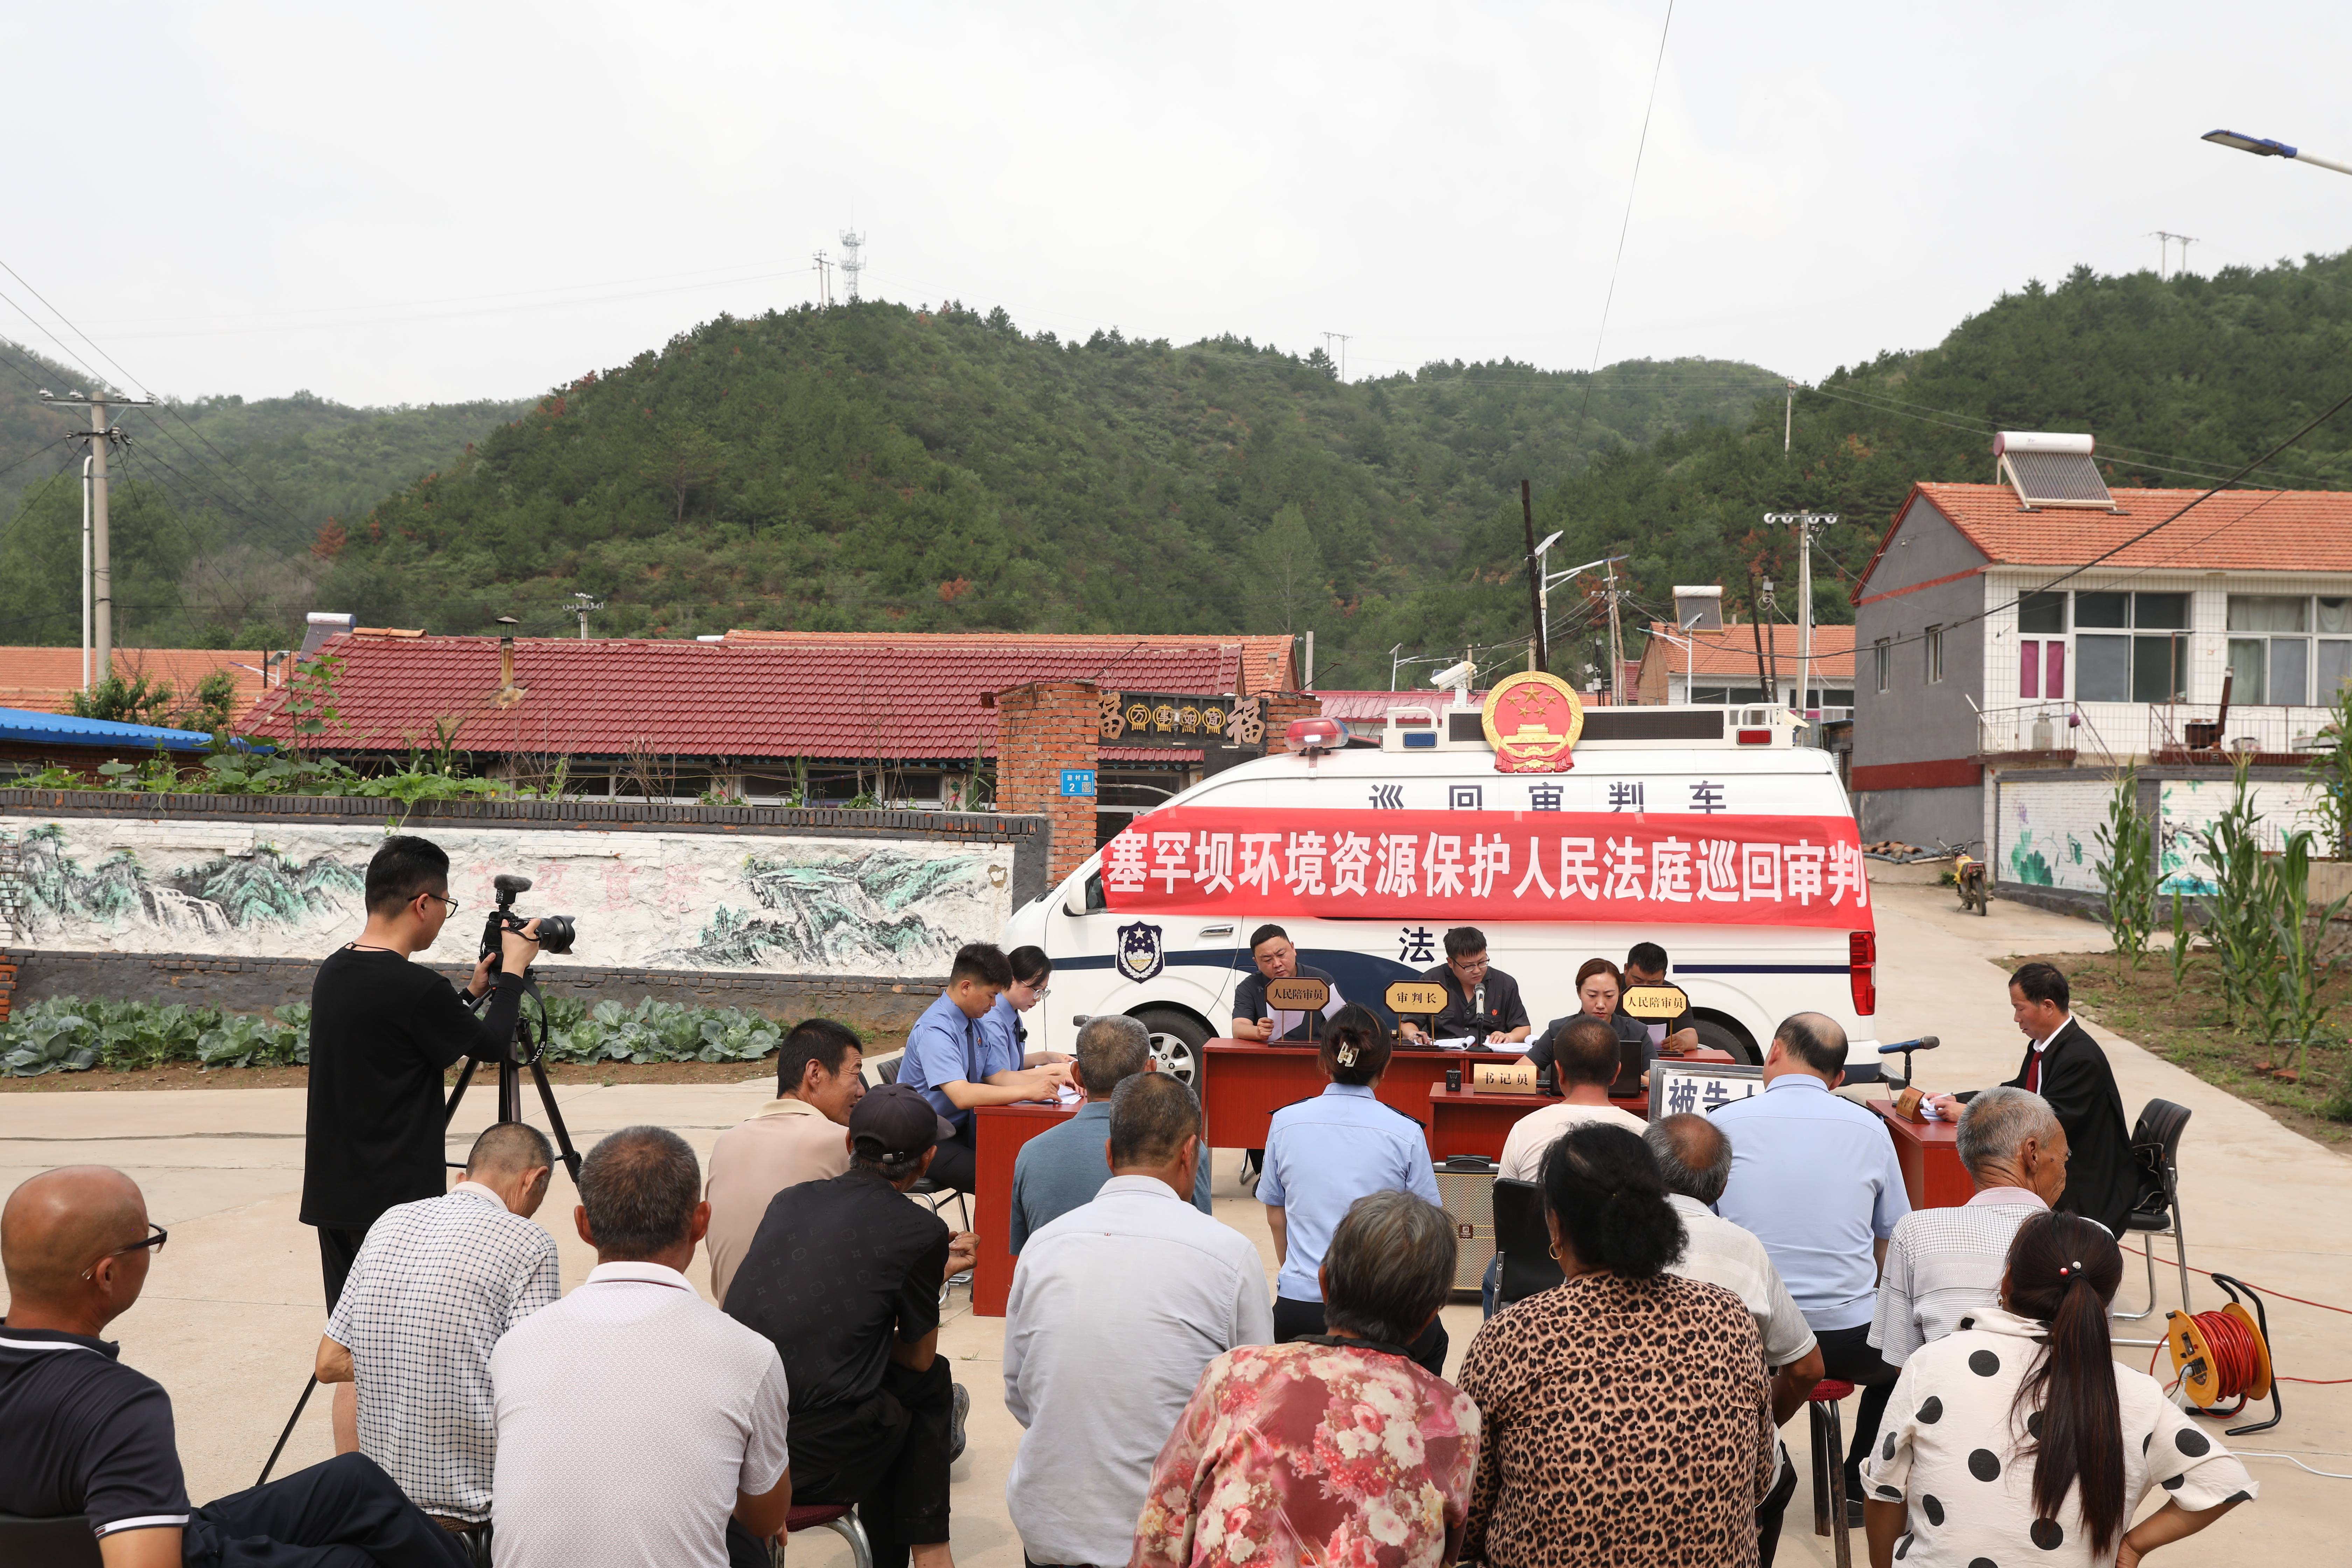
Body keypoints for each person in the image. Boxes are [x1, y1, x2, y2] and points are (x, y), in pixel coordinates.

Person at [1, 1165, 466, 1568]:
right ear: (107, 1275)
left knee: (356, 1480)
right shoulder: (117, 1406)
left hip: (142, 1534)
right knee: (369, 1560)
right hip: (175, 1552)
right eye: (150, 1241)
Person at [301, 834, 539, 1447]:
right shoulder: (413, 988)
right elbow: (491, 1047)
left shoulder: (336, 971)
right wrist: (512, 974)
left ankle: (356, 1485)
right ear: (424, 904)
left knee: (353, 1351)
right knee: (399, 1345)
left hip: (335, 1194)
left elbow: (403, 1042)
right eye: (448, 904)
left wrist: (469, 996)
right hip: (396, 1205)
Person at [1457, 1124, 1778, 1567]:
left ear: (1555, 1223)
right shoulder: (1730, 1319)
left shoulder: (1512, 1336)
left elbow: (1467, 1520)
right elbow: (1760, 1479)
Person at [1862, 1212, 2255, 1568]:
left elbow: (1884, 1493)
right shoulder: (2133, 1394)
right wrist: (2133, 1547)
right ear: (2103, 1302)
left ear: (2008, 1280)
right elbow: (2223, 1481)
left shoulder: (1933, 1364)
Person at [1003, 1073, 1273, 1568]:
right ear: (1191, 1153)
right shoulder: (1229, 1254)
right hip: (1170, 1537)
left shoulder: (1044, 1247)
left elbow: (1020, 1393)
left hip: (1048, 1530)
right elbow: (1252, 1415)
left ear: (1109, 1154)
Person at [490, 1127, 791, 1568]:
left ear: (584, 1226)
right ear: (701, 1222)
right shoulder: (749, 1355)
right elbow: (766, 1518)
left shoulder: (516, 1346)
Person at [1134, 1191, 1480, 1568]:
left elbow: (1163, 1525)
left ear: (1324, 1284)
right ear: (1429, 1319)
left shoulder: (1236, 1374)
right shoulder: (1456, 1416)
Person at [724, 1085, 975, 1568]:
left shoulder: (790, 1200)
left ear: (849, 1146)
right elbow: (918, 1358)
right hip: (804, 1458)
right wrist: (929, 1269)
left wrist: (930, 1272)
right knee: (928, 1387)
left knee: (887, 1397)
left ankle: (923, 1554)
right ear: (927, 1161)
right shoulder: (920, 1230)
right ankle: (929, 1552)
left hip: (741, 1434)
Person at [315, 1122, 561, 1538]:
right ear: (534, 1179)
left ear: (462, 1178)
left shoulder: (391, 1220)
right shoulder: (530, 1241)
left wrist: (408, 1360)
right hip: (467, 1521)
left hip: (377, 1508)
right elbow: (536, 1386)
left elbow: (328, 1363)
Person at [1714, 1011, 1910, 1519]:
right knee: (1905, 1361)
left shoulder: (1722, 1125)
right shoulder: (1872, 1129)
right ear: (1839, 1077)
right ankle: (1855, 1485)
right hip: (1846, 1337)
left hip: (1744, 1332)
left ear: (1774, 1050)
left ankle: (1729, 1472)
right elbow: (1892, 1245)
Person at [1646, 1114, 1826, 1568]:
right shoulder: (1744, 1248)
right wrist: (1762, 1422)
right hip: (1728, 1474)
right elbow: (1807, 1369)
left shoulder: (1602, 1241)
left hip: (1610, 1464)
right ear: (1722, 1188)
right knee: (1779, 1480)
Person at [1259, 1003, 1449, 1376]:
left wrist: (1299, 1273)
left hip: (1300, 1305)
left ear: (1324, 1063)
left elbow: (1275, 1215)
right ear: (1385, 1067)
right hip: (1382, 1308)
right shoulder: (1405, 1133)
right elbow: (1427, 1227)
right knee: (1434, 1343)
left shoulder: (1284, 1123)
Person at [1927, 962, 2136, 1237]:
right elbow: (2019, 1091)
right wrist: (1958, 1098)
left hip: (2084, 1181)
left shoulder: (2080, 1058)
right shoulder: (2044, 1046)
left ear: (2048, 1006)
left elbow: (2048, 1121)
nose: (2017, 1018)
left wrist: (1970, 1113)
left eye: (2020, 1008)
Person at [1871, 1086, 2070, 1369]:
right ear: (2033, 1154)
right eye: (2064, 1157)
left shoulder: (1916, 1231)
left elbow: (1902, 1364)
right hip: (2056, 1411)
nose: (2064, 1170)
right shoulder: (2092, 1239)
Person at [1008, 1014, 1208, 1254]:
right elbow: (1203, 1241)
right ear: (1151, 1070)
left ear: (1077, 1074)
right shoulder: (1184, 1147)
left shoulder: (1032, 1154)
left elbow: (1025, 1253)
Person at [705, 1017, 866, 1305]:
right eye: (855, 1074)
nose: (861, 1091)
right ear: (815, 1073)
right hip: (804, 1331)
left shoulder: (726, 1142)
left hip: (732, 1320)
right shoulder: (841, 1141)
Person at [897, 943, 1071, 1193]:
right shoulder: (936, 1030)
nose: (994, 1005)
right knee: (1007, 1181)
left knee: (1034, 1165)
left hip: (962, 1129)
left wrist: (1044, 1081)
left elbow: (997, 1076)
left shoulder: (974, 1023)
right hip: (925, 1140)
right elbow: (962, 1095)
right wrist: (1029, 1091)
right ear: (966, 987)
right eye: (991, 995)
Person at [1497, 1015, 1648, 1181]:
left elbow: (1506, 1200)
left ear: (1559, 1072)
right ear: (1616, 1073)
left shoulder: (1523, 1130)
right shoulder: (1646, 1135)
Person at [1397, 926, 1530, 1046]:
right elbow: (1409, 1023)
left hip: (1488, 1061)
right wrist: (1414, 1034)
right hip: (1442, 1058)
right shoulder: (1432, 980)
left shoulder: (1505, 984)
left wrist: (1508, 1037)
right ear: (1451, 962)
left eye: (1482, 962)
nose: (1477, 970)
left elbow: (1523, 1028)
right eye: (1469, 966)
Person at [1524, 957, 1651, 1078]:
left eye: (1609, 996)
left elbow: (1659, 1081)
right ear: (1579, 993)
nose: (1601, 1005)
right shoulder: (1559, 1030)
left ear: (1619, 993)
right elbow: (1519, 1071)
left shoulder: (1636, 1033)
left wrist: (1632, 1079)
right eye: (1592, 996)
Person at [1228, 924, 1344, 1042]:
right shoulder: (1249, 987)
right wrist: (1257, 1032)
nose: (1277, 964)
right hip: (1269, 1055)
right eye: (1267, 960)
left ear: (1293, 949)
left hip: (1317, 1055)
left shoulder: (1321, 981)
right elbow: (1239, 1027)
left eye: (1281, 955)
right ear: (1257, 962)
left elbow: (1345, 1026)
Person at [979, 946, 1074, 1078]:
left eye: (1043, 991)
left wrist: (1047, 1057)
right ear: (1011, 980)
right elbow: (1005, 1078)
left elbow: (1014, 1063)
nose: (1039, 998)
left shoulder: (1013, 1016)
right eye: (1035, 990)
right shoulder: (993, 1021)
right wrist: (1054, 1070)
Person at [1622, 941, 1702, 1057]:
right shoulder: (1610, 989)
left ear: (1664, 976)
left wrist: (1682, 1041)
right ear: (1626, 969)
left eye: (1653, 983)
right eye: (1638, 981)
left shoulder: (1673, 995)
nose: (1645, 988)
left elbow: (1691, 1035)